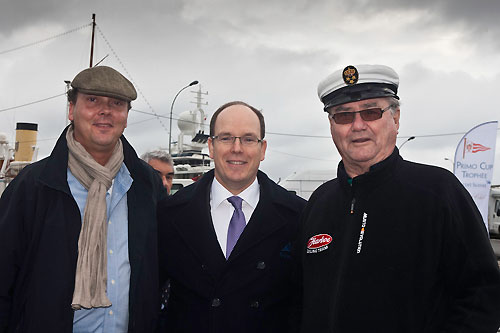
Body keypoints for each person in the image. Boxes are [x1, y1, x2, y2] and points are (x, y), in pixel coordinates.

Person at [293, 64, 500, 332]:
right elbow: (298, 297)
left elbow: (482, 294)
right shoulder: (320, 203)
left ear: (396, 118)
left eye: (371, 112)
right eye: (343, 116)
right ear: (332, 126)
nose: (358, 126)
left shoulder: (438, 192)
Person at [0, 66, 167, 332]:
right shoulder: (34, 185)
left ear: (126, 116)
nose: (105, 111)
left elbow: (161, 268)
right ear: (71, 110)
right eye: (92, 100)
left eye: (117, 103)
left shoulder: (145, 184)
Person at [157, 101, 306, 332]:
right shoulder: (170, 214)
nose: (237, 148)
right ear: (211, 146)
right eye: (226, 138)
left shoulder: (298, 216)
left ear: (263, 149)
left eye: (248, 139)